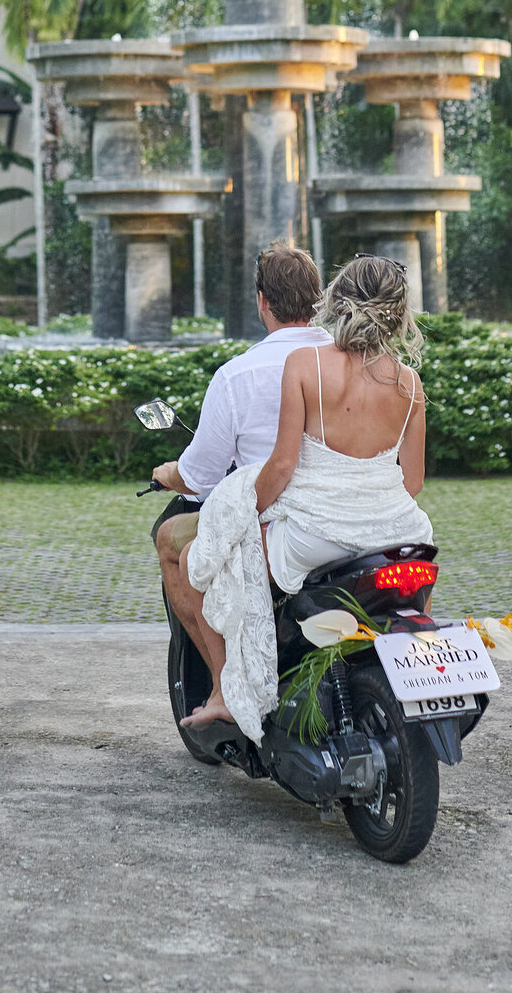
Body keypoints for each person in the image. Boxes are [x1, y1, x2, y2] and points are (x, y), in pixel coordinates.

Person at [173, 254, 433, 736]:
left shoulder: (306, 364)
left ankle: (228, 697)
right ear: (399, 312)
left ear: (336, 299)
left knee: (196, 561)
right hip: (399, 533)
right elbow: (412, 483)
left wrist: (242, 514)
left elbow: (283, 466)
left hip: (314, 535)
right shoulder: (409, 382)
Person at [152, 245, 328, 654]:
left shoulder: (238, 375)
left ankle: (222, 679)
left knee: (169, 541)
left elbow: (200, 474)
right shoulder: (346, 361)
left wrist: (168, 473)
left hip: (273, 514)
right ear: (318, 298)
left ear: (262, 301)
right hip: (350, 509)